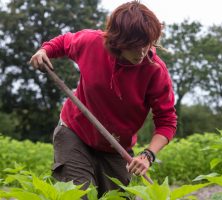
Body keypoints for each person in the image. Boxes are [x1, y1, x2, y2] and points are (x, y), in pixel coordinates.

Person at [29, 0, 177, 198]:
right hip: (75, 133)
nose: (142, 52)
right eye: (134, 46)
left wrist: (148, 154)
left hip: (117, 148)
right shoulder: (92, 43)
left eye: (146, 44)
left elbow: (166, 121)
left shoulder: (155, 71)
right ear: (118, 41)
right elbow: (64, 42)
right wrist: (44, 50)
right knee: (78, 195)